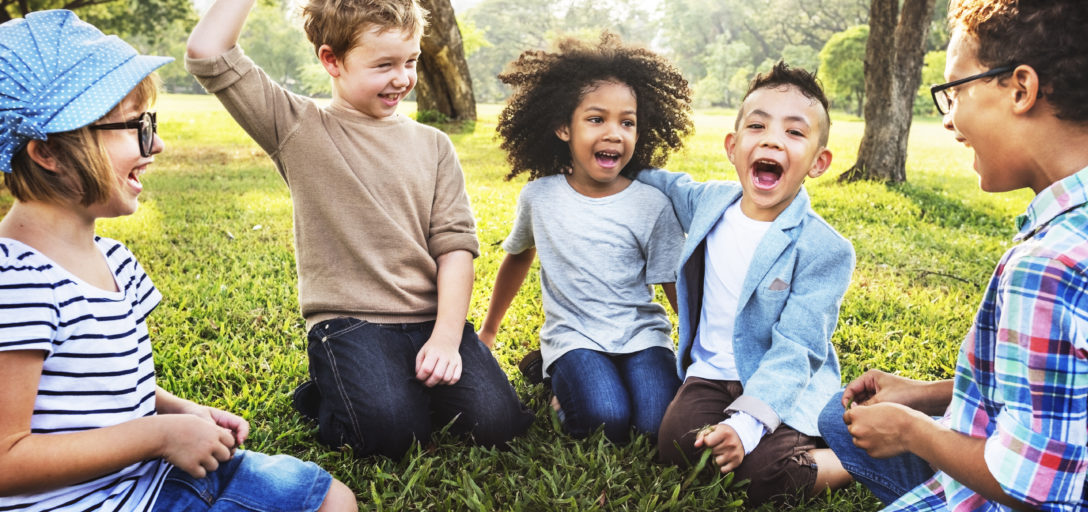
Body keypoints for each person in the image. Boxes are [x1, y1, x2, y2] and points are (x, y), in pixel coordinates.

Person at [0, 10, 357, 511]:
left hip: (152, 471)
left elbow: (115, 388)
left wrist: (185, 413)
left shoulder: (113, 259)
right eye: (135, 127)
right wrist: (158, 436)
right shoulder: (17, 284)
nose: (158, 144)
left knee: (332, 500)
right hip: (93, 501)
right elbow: (7, 460)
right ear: (49, 152)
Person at [816, 0, 1088, 510]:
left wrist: (912, 431)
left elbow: (1030, 489)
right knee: (839, 417)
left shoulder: (1052, 267)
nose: (949, 120)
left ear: (1020, 89)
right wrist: (928, 395)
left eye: (955, 91)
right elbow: (1085, 385)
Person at [184, 0, 533, 460]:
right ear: (331, 60)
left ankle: (390, 383)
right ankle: (326, 391)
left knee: (499, 425)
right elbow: (208, 53)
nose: (402, 78)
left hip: (431, 320)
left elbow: (455, 248)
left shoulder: (434, 145)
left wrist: (448, 337)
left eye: (410, 61)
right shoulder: (297, 127)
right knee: (390, 438)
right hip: (351, 324)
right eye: (384, 64)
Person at [636, 61, 856, 505]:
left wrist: (746, 424)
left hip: (782, 381)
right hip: (712, 376)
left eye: (795, 133)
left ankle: (847, 455)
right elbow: (663, 182)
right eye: (758, 126)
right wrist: (613, 161)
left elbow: (798, 347)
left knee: (760, 476)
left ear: (818, 162)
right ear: (733, 147)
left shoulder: (824, 248)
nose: (773, 139)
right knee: (677, 445)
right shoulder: (710, 202)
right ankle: (753, 438)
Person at [476, 33, 690, 443]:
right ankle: (558, 382)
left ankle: (577, 380)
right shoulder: (540, 197)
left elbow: (672, 281)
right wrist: (489, 331)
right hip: (574, 336)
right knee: (604, 419)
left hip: (642, 335)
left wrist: (701, 350)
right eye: (596, 119)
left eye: (627, 122)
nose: (614, 133)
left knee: (653, 425)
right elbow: (518, 256)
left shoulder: (652, 204)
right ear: (562, 127)